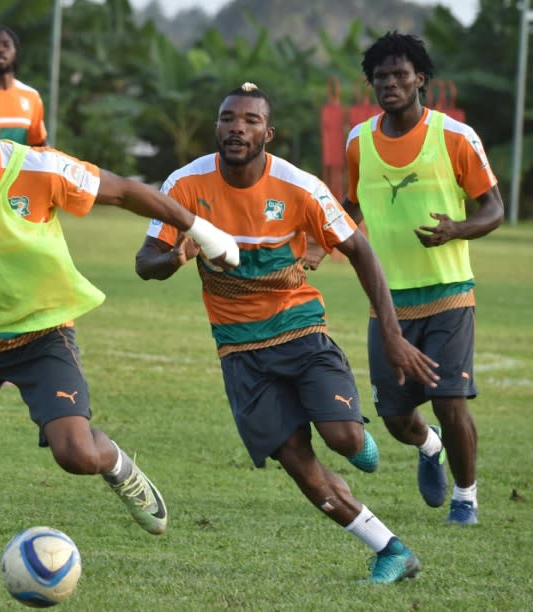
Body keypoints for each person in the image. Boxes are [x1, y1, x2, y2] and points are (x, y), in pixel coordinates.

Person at [0, 76, 240, 596]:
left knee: (76, 454)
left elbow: (125, 191)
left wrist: (204, 230)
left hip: (43, 331)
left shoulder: (38, 168)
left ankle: (119, 466)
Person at [135, 83, 441, 584]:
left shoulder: (299, 186)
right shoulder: (184, 185)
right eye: (228, 118)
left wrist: (392, 335)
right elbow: (144, 263)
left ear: (268, 133)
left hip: (300, 331)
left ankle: (362, 439)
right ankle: (391, 550)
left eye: (250, 120)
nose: (237, 127)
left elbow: (361, 251)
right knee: (298, 462)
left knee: (342, 437)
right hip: (238, 349)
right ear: (217, 127)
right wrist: (173, 257)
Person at [305, 32, 504, 526]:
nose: (390, 83)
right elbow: (347, 208)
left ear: (421, 79)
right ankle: (428, 445)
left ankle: (466, 497)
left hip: (449, 294)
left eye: (400, 74)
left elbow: (495, 209)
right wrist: (318, 243)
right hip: (388, 303)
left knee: (450, 401)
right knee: (395, 419)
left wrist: (458, 229)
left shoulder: (456, 137)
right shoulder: (358, 141)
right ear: (371, 84)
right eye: (380, 76)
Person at [0, 25, 47, 145]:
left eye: (6, 45)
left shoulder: (31, 96)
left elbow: (38, 144)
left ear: (16, 51)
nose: (0, 50)